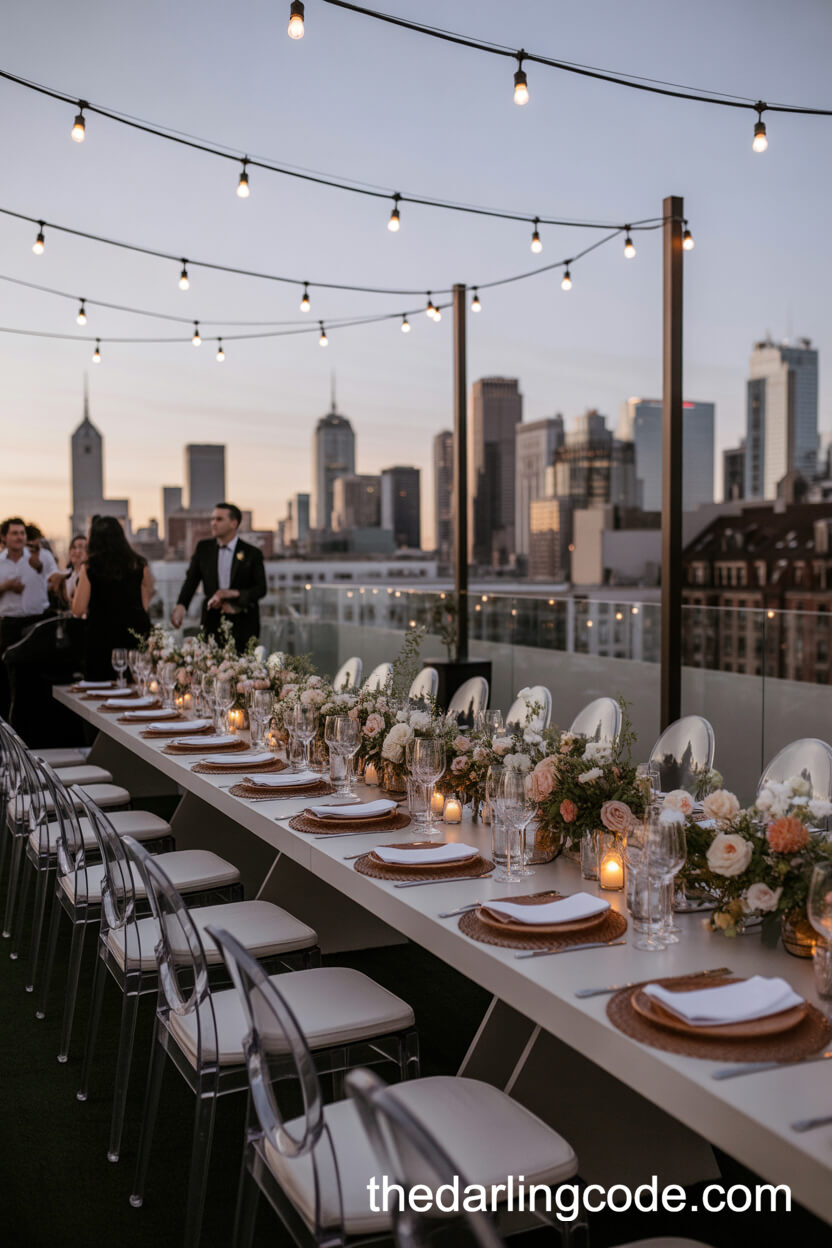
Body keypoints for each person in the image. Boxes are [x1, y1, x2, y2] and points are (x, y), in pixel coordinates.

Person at [171, 502, 266, 651]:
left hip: (244, 622)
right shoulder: (203, 548)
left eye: (219, 519)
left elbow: (261, 589)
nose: (213, 523)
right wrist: (181, 605)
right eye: (212, 519)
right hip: (212, 620)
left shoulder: (252, 553)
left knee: (244, 670)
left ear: (234, 523)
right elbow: (191, 580)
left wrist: (233, 594)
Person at [72, 515, 153, 679]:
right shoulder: (139, 564)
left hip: (100, 640)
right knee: (135, 689)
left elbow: (78, 609)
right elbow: (144, 605)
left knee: (100, 694)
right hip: (133, 637)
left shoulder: (89, 568)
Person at [0, 517, 59, 713]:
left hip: (36, 624)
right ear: (4, 537)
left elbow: (55, 581)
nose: (19, 537)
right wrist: (6, 586)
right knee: (10, 680)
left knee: (36, 679)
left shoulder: (41, 558)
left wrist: (40, 568)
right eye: (14, 533)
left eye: (22, 533)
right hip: (9, 625)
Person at [48, 533, 87, 608]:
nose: (77, 551)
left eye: (81, 547)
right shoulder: (63, 576)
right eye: (73, 547)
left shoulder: (90, 576)